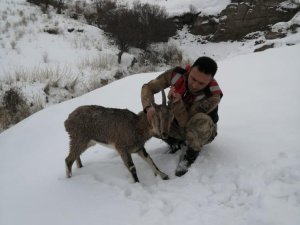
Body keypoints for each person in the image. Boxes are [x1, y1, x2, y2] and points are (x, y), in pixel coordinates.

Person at [141, 56, 223, 177]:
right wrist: (148, 108)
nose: (195, 85)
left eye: (201, 83)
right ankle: (175, 143)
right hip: (178, 122)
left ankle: (191, 154)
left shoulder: (213, 96)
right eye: (193, 78)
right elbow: (148, 87)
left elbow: (187, 124)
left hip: (201, 130)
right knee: (152, 117)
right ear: (189, 71)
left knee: (201, 122)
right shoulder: (176, 74)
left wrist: (177, 103)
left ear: (210, 81)